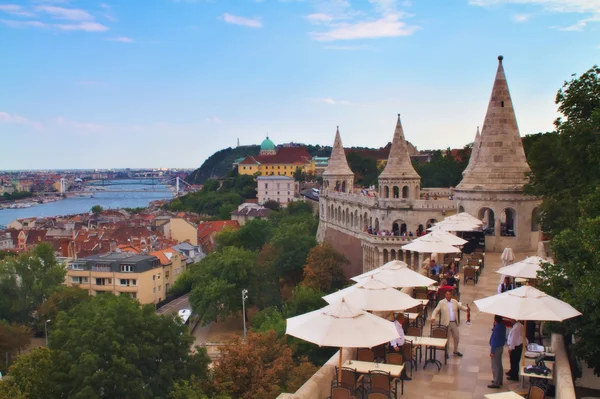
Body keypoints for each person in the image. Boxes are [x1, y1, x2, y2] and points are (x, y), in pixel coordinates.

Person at [431, 290, 469, 357]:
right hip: (446, 323)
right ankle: (446, 352)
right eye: (447, 294)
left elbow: (461, 307)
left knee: (456, 336)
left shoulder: (454, 302)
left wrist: (467, 309)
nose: (448, 296)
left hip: (453, 322)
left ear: (451, 295)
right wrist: (433, 317)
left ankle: (455, 350)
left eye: (449, 294)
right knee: (447, 338)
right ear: (445, 295)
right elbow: (436, 310)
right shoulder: (441, 302)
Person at [389, 313, 412, 381]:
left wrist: (403, 338)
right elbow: (392, 336)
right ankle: (401, 376)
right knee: (399, 361)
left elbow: (401, 333)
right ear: (400, 319)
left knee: (400, 361)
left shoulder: (398, 325)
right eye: (403, 318)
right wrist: (395, 346)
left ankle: (399, 375)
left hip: (399, 346)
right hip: (396, 347)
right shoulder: (395, 326)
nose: (404, 320)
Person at [488, 315, 507, 388]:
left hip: (496, 348)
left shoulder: (497, 328)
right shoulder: (502, 326)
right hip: (500, 347)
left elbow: (495, 340)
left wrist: (492, 351)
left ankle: (496, 382)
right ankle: (499, 379)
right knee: (499, 364)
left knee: (495, 365)